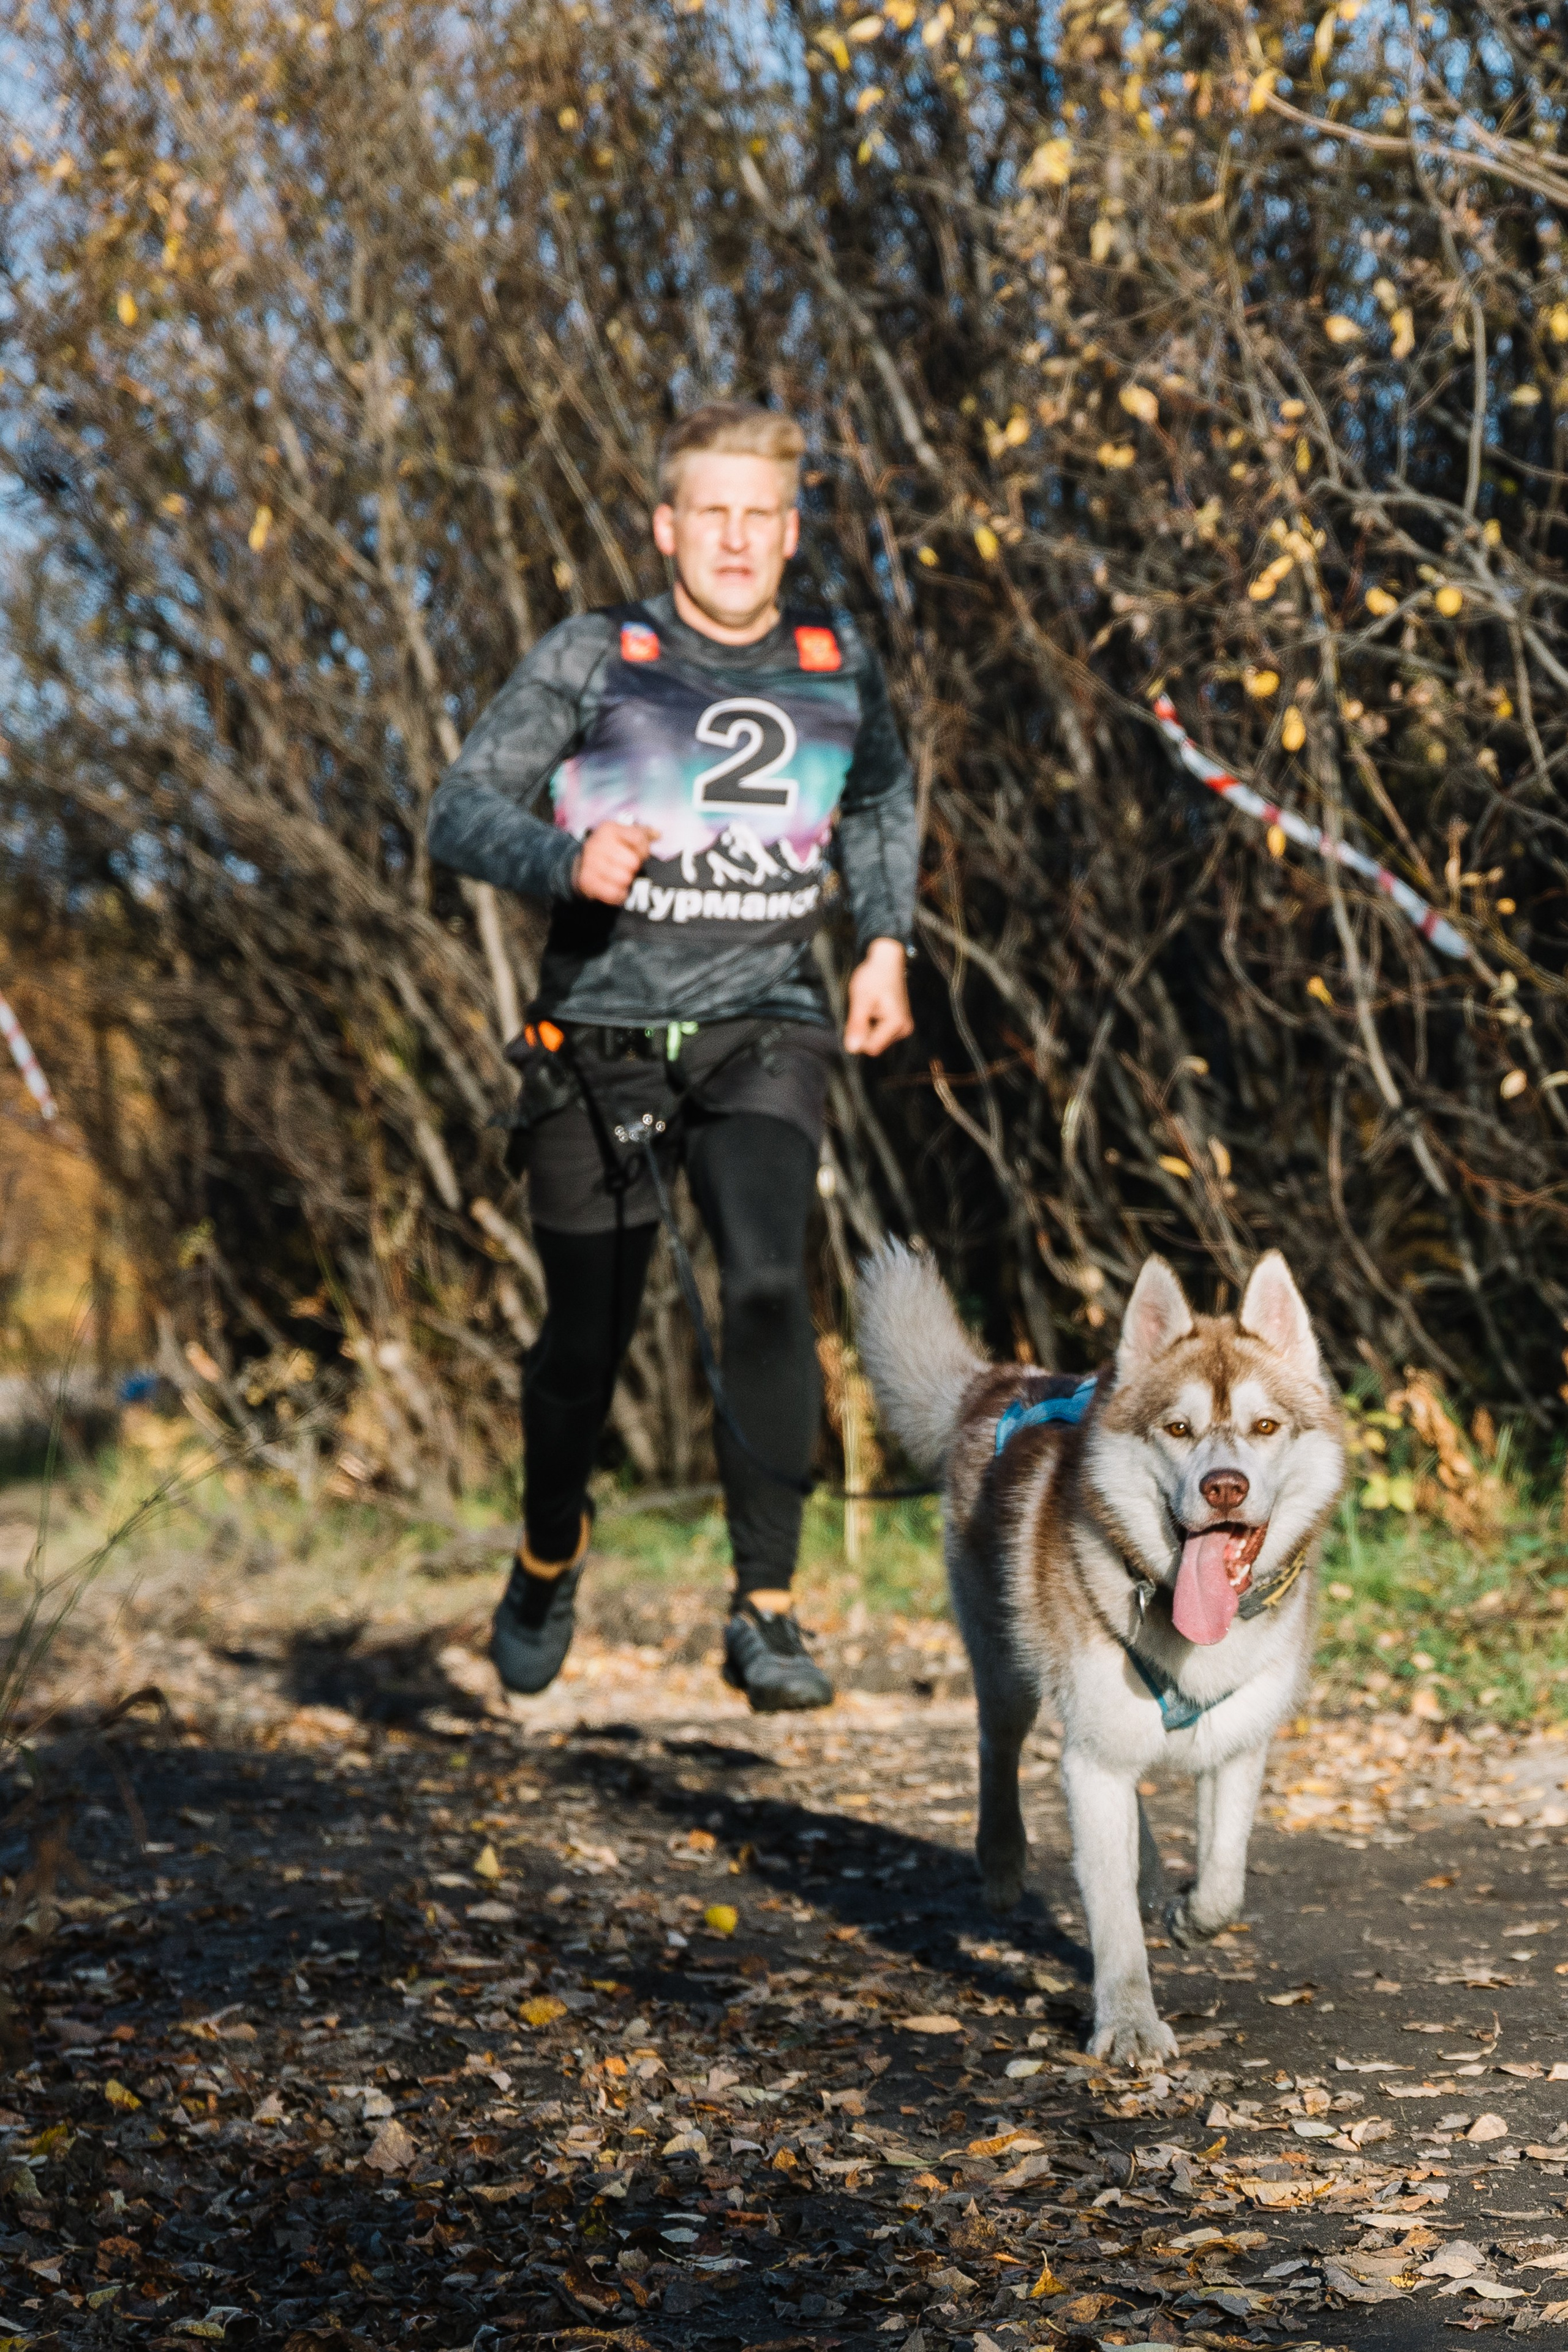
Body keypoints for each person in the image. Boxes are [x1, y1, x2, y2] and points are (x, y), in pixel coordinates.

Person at [427, 401, 918, 1711]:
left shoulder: (834, 657)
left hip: (767, 1020)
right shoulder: (600, 655)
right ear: (667, 526)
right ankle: (547, 1552)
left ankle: (764, 1609)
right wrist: (562, 859)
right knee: (581, 1347)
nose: (737, 539)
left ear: (791, 530)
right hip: (599, 1041)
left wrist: (885, 945)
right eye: (713, 513)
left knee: (765, 1281)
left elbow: (876, 796)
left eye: (761, 516)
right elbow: (459, 806)